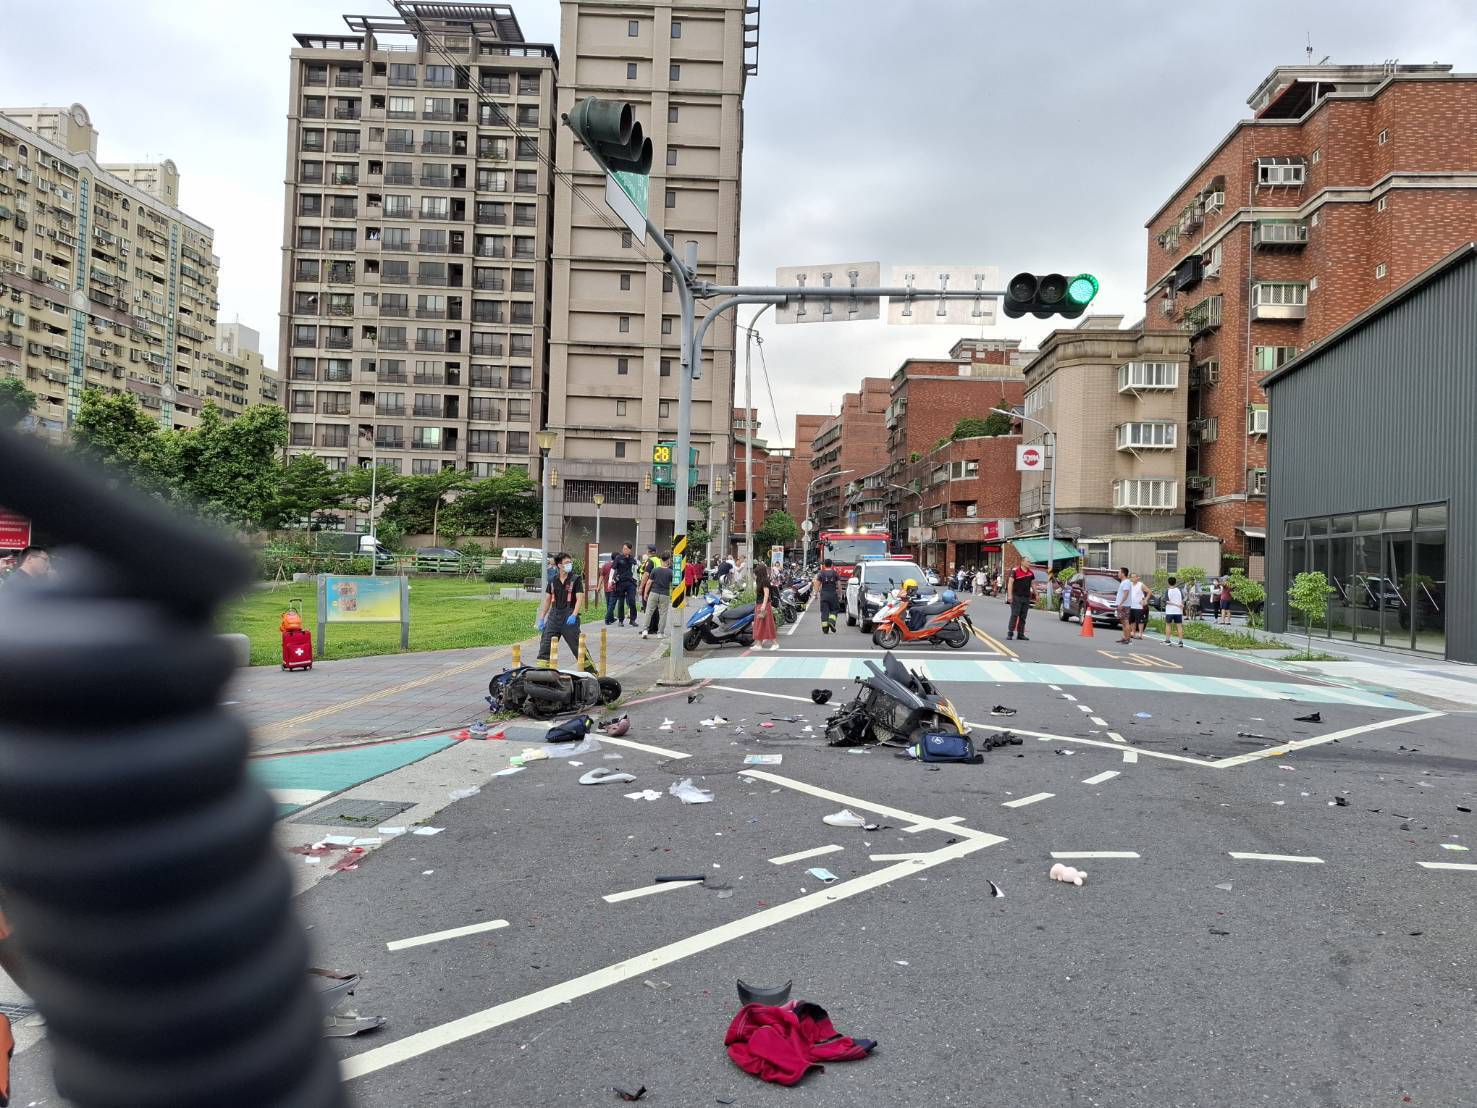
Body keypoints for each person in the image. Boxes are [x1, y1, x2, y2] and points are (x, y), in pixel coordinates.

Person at [535, 552, 585, 666]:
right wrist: (542, 618)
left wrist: (574, 615)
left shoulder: (575, 579)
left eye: (570, 562)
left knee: (578, 647)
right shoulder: (553, 580)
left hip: (569, 618)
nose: (569, 564)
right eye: (566, 562)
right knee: (545, 646)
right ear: (559, 565)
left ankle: (590, 671)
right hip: (554, 618)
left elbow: (579, 599)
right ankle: (543, 672)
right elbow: (547, 600)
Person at [643, 553, 674, 640]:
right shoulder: (671, 572)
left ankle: (645, 630)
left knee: (649, 611)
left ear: (660, 560)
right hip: (665, 594)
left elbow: (649, 582)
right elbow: (673, 585)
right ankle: (660, 633)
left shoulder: (655, 570)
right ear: (668, 560)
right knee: (663, 614)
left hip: (654, 593)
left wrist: (645, 593)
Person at [607, 542, 638, 628]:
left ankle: (632, 620)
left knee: (632, 601)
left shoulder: (632, 559)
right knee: (621, 602)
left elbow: (635, 570)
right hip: (620, 582)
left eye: (626, 549)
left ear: (630, 550)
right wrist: (610, 581)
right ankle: (621, 620)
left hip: (630, 583)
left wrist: (637, 581)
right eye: (623, 548)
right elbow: (612, 570)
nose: (624, 550)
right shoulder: (618, 558)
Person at [1006, 556, 1034, 641]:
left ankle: (1020, 634)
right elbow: (1010, 583)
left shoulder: (1031, 573)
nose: (1029, 563)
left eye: (1029, 562)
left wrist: (1036, 594)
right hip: (1016, 596)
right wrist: (1009, 595)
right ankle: (1010, 633)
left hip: (1026, 597)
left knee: (1023, 616)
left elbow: (1033, 584)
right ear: (1022, 562)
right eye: (1028, 561)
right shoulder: (1015, 571)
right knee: (1015, 615)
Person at [752, 563, 779, 650]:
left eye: (757, 572)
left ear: (760, 572)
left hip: (764, 605)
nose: (755, 574)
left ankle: (775, 643)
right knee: (759, 624)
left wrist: (763, 605)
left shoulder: (765, 581)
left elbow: (766, 594)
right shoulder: (759, 580)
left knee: (768, 624)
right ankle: (758, 644)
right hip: (759, 604)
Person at [813, 557, 842, 634]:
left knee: (824, 611)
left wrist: (815, 594)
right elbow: (839, 585)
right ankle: (831, 621)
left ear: (824, 565)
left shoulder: (821, 573)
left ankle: (825, 629)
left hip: (824, 595)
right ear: (831, 565)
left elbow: (817, 584)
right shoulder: (835, 573)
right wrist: (840, 594)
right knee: (834, 610)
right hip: (833, 594)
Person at [1163, 575, 1186, 647]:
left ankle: (1168, 640)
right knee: (1179, 626)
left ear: (1168, 583)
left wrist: (1175, 604)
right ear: (1175, 583)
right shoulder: (1179, 590)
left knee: (1168, 625)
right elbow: (1183, 599)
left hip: (1170, 611)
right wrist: (1181, 604)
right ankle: (1180, 642)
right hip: (1178, 611)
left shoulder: (1167, 590)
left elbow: (1167, 601)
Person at [1113, 567, 1133, 644]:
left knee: (1125, 622)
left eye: (1119, 572)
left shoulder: (1126, 582)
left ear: (1123, 574)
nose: (1118, 574)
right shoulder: (1123, 582)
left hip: (1124, 605)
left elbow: (1126, 593)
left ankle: (1128, 639)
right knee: (1123, 622)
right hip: (1122, 605)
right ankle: (1125, 637)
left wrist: (1121, 603)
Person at [1128, 572, 1148, 641]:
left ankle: (1140, 634)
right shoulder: (1130, 584)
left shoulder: (1141, 585)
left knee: (1140, 621)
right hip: (1131, 605)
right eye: (1132, 577)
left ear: (1137, 578)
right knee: (1132, 620)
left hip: (1139, 606)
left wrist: (1145, 600)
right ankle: (1133, 632)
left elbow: (1149, 592)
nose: (1133, 578)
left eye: (1134, 577)